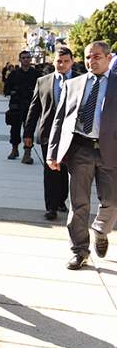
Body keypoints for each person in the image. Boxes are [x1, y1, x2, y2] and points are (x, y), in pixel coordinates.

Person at [47, 41, 116, 269]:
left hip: (110, 151)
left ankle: (101, 229)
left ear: (108, 58)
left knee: (112, 201)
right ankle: (79, 250)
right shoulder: (73, 84)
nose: (91, 61)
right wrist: (53, 153)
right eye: (87, 57)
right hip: (80, 149)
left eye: (96, 57)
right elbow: (59, 119)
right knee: (78, 204)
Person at [24, 46, 75, 221]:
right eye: (59, 61)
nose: (62, 64)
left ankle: (61, 200)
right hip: (49, 133)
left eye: (66, 61)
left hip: (72, 135)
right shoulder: (43, 81)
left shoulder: (81, 80)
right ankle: (51, 207)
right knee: (51, 171)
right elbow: (34, 109)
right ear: (53, 62)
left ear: (72, 62)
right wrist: (28, 133)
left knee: (65, 170)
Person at [4, 51, 41, 162]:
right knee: (15, 129)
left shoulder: (36, 74)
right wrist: (13, 92)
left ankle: (27, 153)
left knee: (29, 130)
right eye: (23, 58)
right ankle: (14, 149)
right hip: (16, 106)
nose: (26, 59)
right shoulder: (14, 74)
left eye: (28, 57)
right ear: (20, 59)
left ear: (31, 59)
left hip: (31, 106)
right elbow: (6, 89)